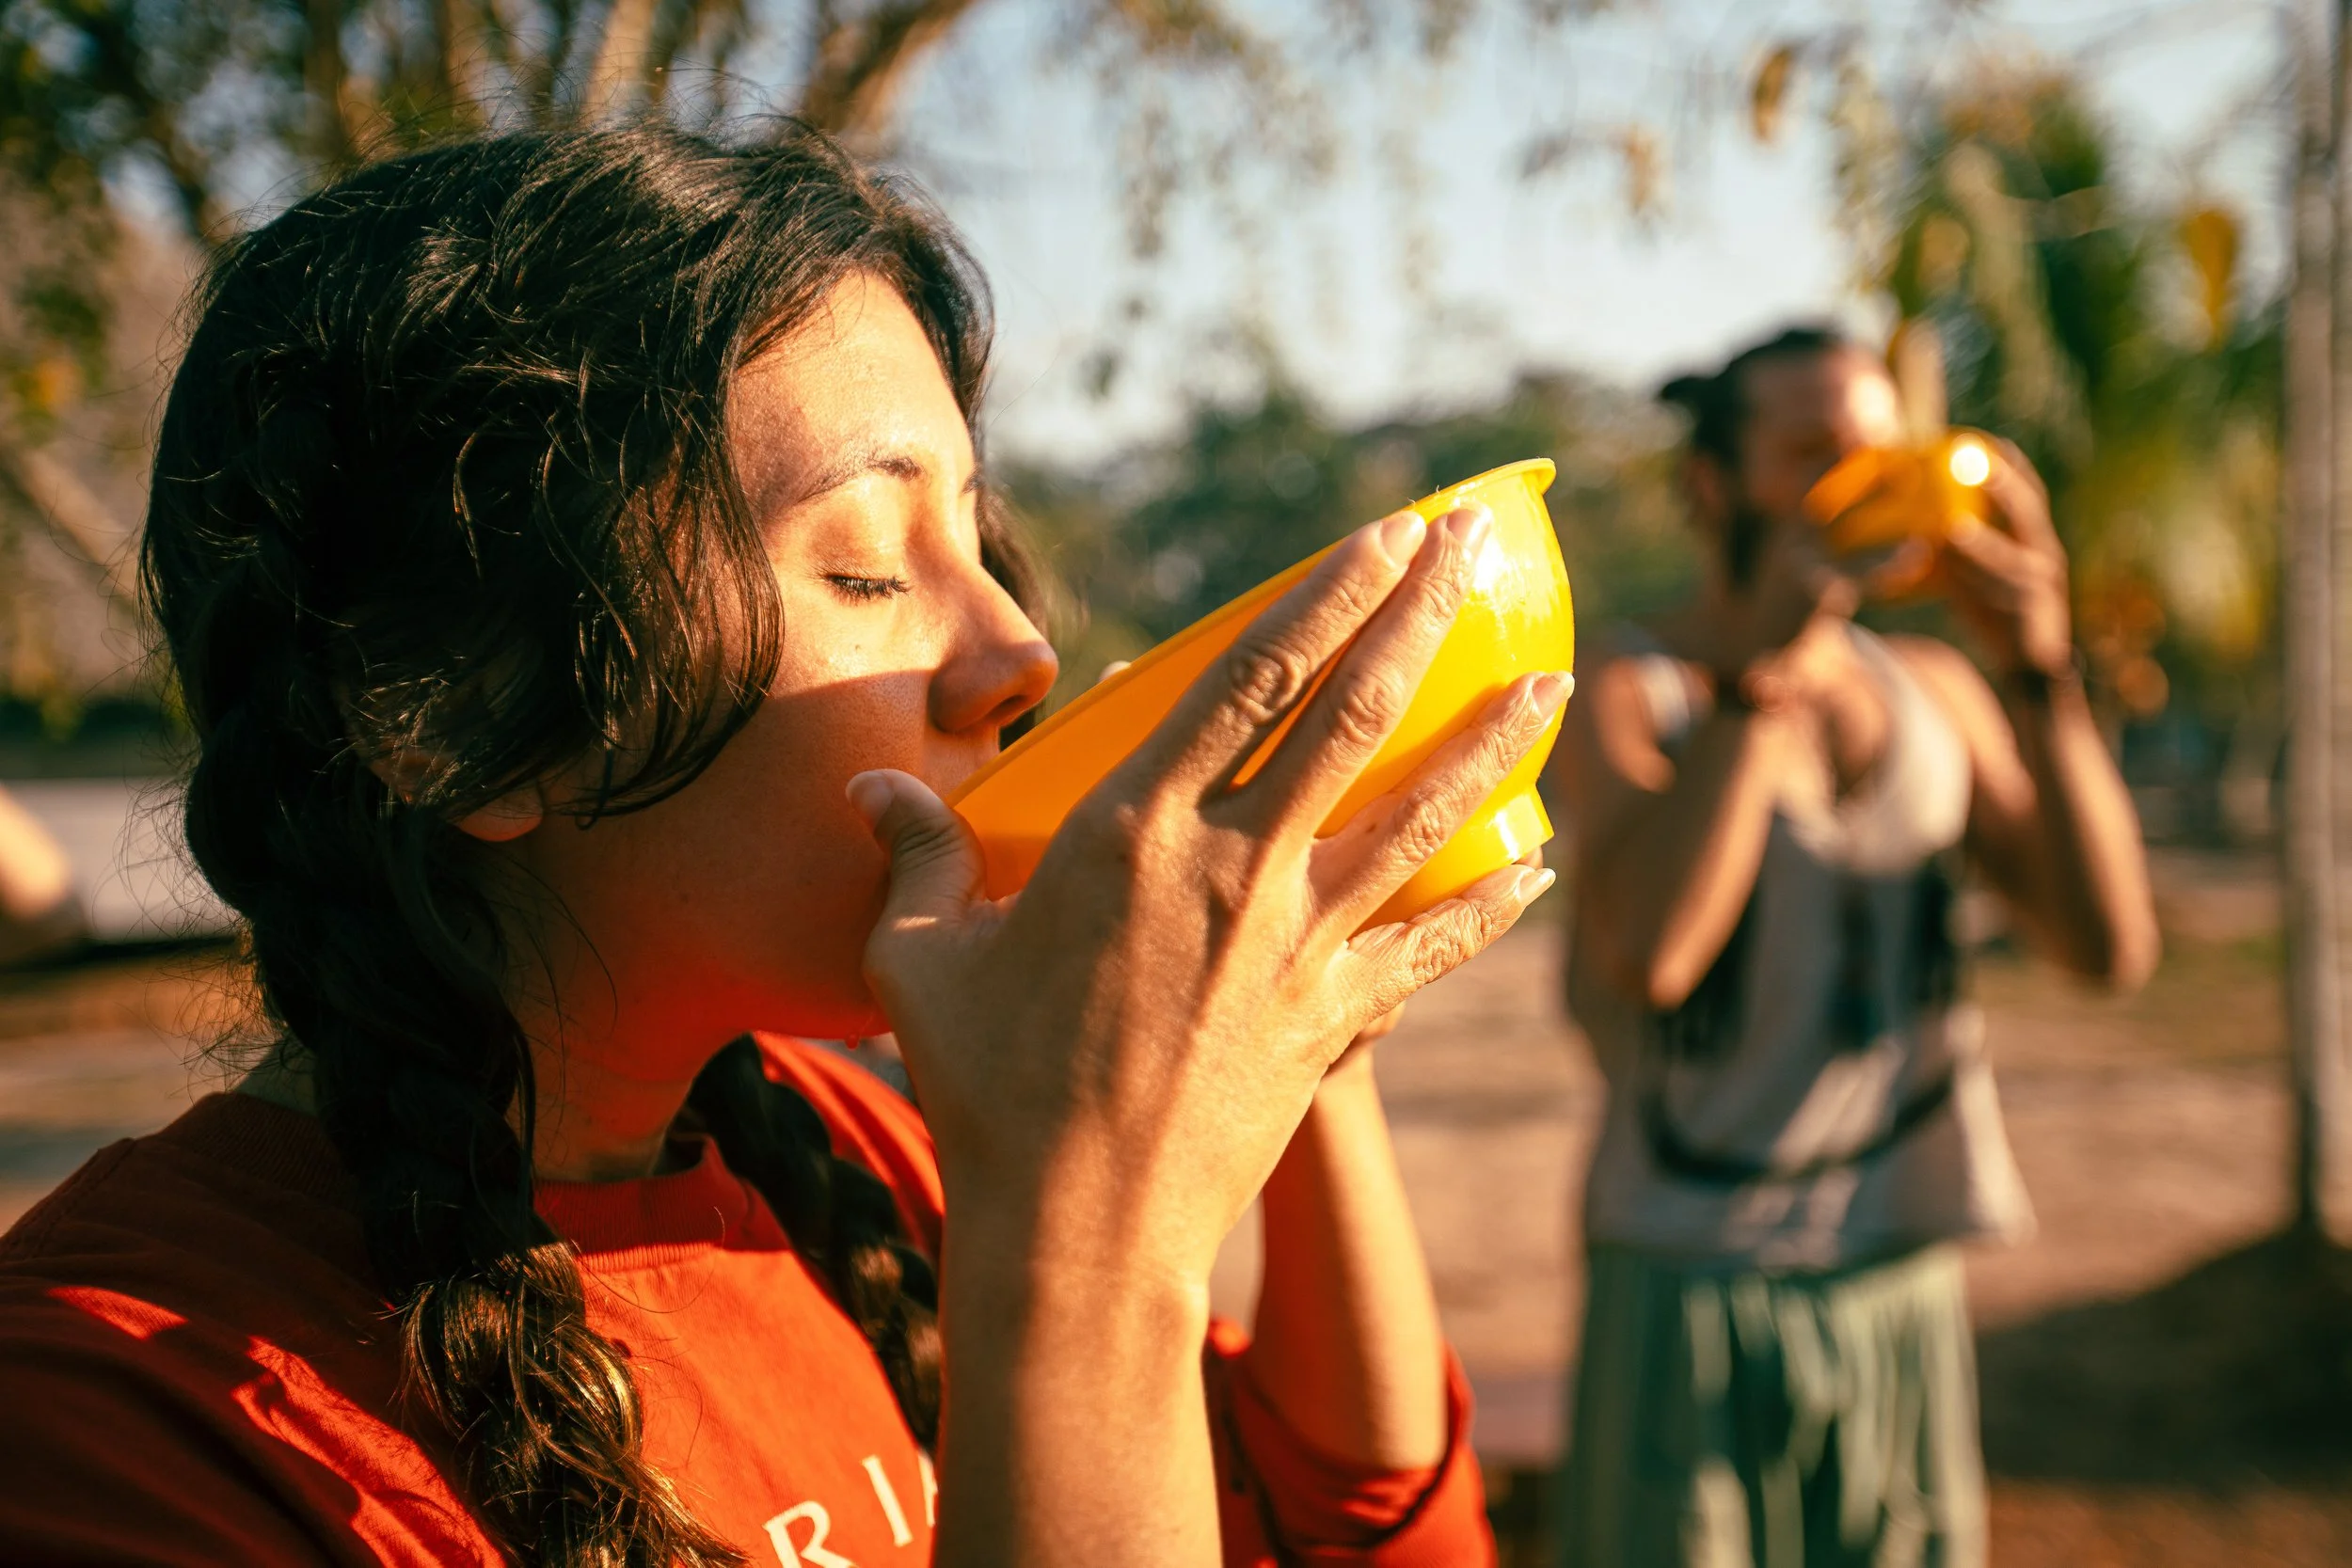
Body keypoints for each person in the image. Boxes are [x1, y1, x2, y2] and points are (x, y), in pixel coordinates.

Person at [0, 127, 1574, 1567]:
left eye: (976, 529)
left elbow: (1360, 1539)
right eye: (871, 569)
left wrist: (1310, 1035)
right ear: (454, 718)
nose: (1021, 649)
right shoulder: (114, 1414)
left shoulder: (847, 1153)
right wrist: (1093, 1257)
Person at [1550, 325, 2158, 1568]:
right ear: (1711, 482)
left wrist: (2040, 668)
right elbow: (1654, 955)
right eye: (1812, 454)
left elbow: (2109, 949)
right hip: (1684, 1276)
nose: (1859, 484)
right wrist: (1760, 676)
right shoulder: (1629, 684)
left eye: (1881, 452)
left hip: (1902, 1269)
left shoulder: (1934, 687)